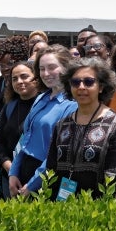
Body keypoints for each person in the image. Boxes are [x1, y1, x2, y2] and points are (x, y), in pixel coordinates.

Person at [47, 58, 116, 199]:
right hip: (61, 209)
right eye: (75, 82)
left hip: (96, 211)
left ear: (101, 87)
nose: (81, 87)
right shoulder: (62, 125)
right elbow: (51, 171)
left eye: (89, 82)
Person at [8, 45, 77, 198]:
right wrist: (13, 172)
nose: (46, 73)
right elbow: (26, 139)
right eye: (42, 68)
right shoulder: (41, 98)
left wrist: (33, 184)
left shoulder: (72, 105)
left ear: (67, 68)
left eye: (52, 67)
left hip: (48, 177)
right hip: (24, 169)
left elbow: (58, 153)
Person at [0, 60, 41, 195]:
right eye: (14, 79)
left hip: (38, 178)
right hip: (10, 177)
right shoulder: (9, 106)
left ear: (36, 78)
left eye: (24, 76)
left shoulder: (46, 106)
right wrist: (10, 168)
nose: (19, 81)